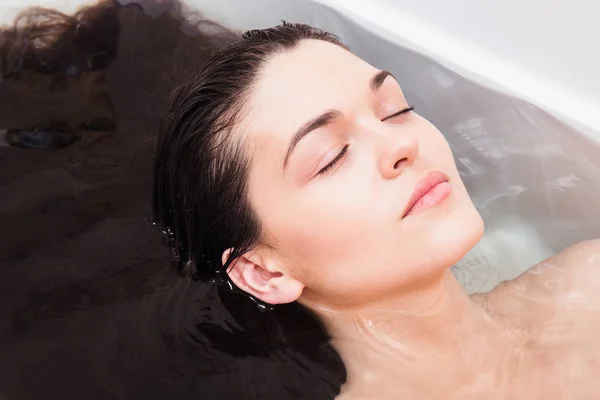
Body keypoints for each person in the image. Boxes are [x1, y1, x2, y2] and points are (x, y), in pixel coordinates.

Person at [153, 22, 600, 399]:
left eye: (394, 110)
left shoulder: (590, 282)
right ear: (264, 273)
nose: (403, 143)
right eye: (331, 156)